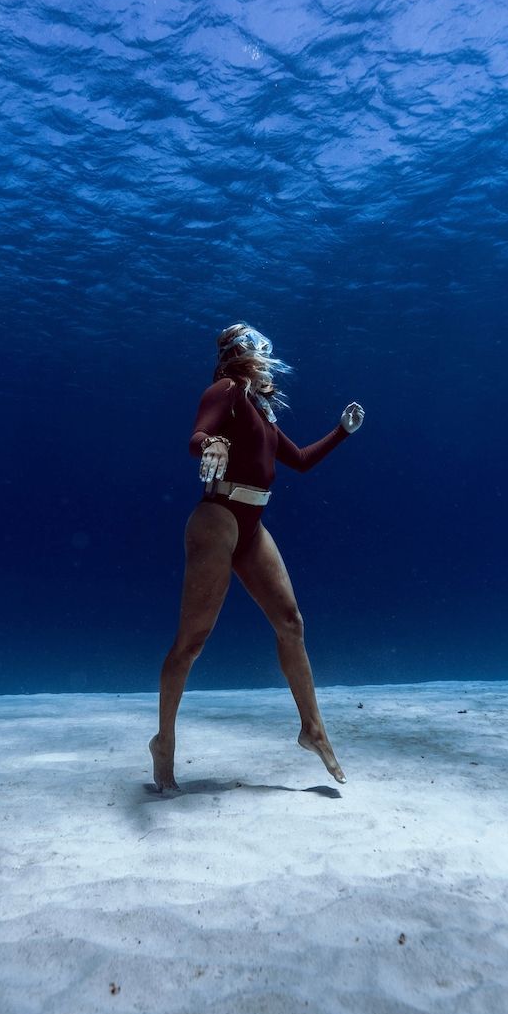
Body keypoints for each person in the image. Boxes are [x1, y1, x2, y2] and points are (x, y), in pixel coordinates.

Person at [150, 322, 364, 792]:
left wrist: (342, 432)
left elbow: (302, 461)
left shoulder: (260, 412)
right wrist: (214, 443)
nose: (264, 354)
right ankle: (164, 742)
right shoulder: (224, 389)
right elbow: (196, 437)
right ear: (237, 354)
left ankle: (313, 729)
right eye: (254, 345)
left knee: (291, 624)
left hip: (253, 526)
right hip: (218, 518)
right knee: (192, 641)